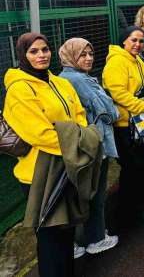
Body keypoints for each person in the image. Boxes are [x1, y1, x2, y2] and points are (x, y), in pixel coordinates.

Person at [3, 33, 89, 277]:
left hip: (68, 164)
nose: (41, 55)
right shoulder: (19, 89)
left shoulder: (60, 82)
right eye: (33, 51)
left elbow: (79, 113)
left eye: (45, 49)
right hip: (39, 173)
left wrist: (77, 137)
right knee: (50, 237)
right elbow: (39, 134)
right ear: (23, 55)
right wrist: (79, 143)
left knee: (67, 229)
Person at [59, 38, 120, 258]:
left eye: (90, 54)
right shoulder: (78, 79)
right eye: (82, 55)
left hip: (80, 145)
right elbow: (108, 110)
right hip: (94, 144)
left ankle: (76, 242)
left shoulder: (65, 77)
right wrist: (115, 112)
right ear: (70, 56)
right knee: (95, 194)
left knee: (78, 195)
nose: (88, 58)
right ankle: (96, 239)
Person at [103, 27, 144, 228]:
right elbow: (119, 94)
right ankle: (126, 214)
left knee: (142, 166)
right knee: (131, 169)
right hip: (124, 125)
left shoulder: (138, 60)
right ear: (123, 41)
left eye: (140, 40)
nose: (138, 44)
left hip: (139, 123)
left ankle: (137, 207)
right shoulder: (117, 62)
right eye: (133, 40)